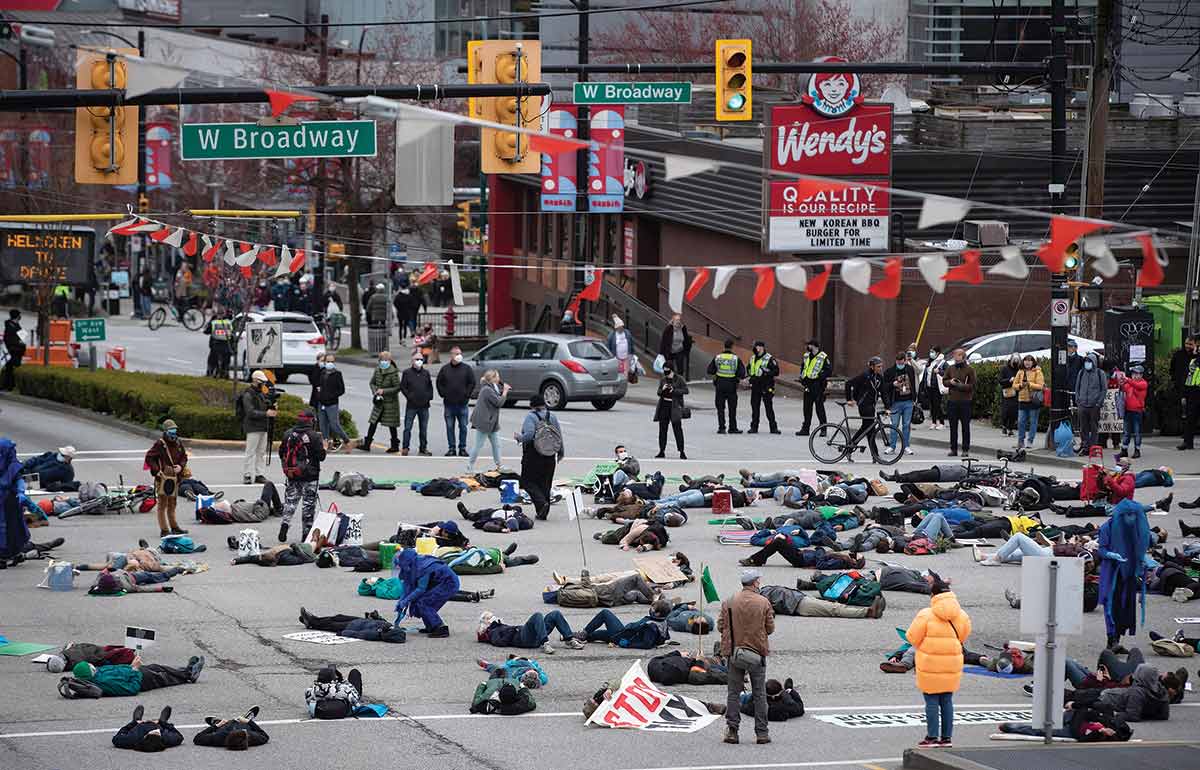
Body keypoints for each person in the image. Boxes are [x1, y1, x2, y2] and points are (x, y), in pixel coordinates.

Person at [905, 572, 971, 748]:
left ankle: (932, 737)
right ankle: (946, 738)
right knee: (947, 701)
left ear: (933, 595)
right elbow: (963, 636)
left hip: (930, 664)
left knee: (932, 701)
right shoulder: (962, 615)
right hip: (952, 663)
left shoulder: (925, 614)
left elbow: (912, 638)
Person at [719, 568, 775, 745]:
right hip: (756, 654)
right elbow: (770, 628)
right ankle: (762, 733)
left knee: (733, 693)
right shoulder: (763, 602)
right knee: (759, 694)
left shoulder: (729, 601)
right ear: (755, 582)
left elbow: (721, 626)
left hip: (735, 653)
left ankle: (732, 731)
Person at [1099, 498, 1151, 651]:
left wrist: (1144, 560)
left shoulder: (1135, 528)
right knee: (1111, 605)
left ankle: (1118, 638)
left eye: (1133, 515)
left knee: (1125, 605)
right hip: (1112, 571)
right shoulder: (1107, 527)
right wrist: (1112, 555)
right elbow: (1101, 550)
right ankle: (1111, 639)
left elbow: (1140, 547)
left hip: (1128, 571)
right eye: (1128, 515)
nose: (1131, 518)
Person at [277, 408, 325, 543]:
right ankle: (306, 534)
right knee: (308, 505)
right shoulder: (314, 436)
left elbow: (281, 453)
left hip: (292, 474)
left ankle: (285, 524)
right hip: (310, 476)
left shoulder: (288, 434)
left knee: (290, 501)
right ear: (311, 421)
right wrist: (325, 447)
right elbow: (321, 456)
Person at [393, 549, 460, 637]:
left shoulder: (422, 567)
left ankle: (440, 627)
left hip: (448, 583)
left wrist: (405, 602)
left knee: (424, 603)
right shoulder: (413, 565)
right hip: (438, 582)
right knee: (420, 602)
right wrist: (401, 601)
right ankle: (431, 626)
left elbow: (420, 589)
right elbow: (407, 587)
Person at [67, 656, 204, 697]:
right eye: (91, 666)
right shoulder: (105, 682)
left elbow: (118, 669)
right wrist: (134, 670)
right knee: (162, 677)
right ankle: (188, 674)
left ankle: (186, 671)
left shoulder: (99, 672)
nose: (93, 665)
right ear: (89, 672)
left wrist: (131, 665)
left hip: (134, 671)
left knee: (157, 667)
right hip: (139, 679)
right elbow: (131, 689)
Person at [144, 420, 188, 538]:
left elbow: (184, 456)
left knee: (172, 503)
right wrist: (157, 471)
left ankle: (174, 527)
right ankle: (164, 530)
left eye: (175, 430)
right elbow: (149, 458)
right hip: (163, 477)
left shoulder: (178, 443)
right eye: (171, 431)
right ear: (165, 431)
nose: (173, 433)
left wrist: (181, 466)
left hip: (175, 477)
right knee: (162, 504)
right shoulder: (160, 444)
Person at [477, 610, 585, 654]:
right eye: (489, 617)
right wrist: (513, 630)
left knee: (555, 614)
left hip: (526, 634)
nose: (492, 617)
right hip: (522, 638)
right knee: (537, 616)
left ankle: (569, 639)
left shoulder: (498, 626)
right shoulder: (492, 631)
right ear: (485, 622)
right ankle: (545, 643)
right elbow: (499, 642)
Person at [358, 351, 401, 453]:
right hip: (379, 402)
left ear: (390, 361)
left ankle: (395, 446)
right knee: (373, 422)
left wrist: (384, 391)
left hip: (390, 402)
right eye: (382, 360)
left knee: (392, 424)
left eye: (386, 360)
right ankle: (367, 444)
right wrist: (375, 392)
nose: (384, 362)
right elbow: (372, 383)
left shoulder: (393, 372)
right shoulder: (377, 370)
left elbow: (398, 387)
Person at [239, 370, 276, 484]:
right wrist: (266, 414)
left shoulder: (260, 393)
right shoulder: (248, 394)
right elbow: (250, 412)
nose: (263, 384)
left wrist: (272, 406)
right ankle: (247, 474)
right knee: (250, 452)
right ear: (255, 380)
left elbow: (265, 405)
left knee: (261, 452)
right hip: (253, 427)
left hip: (263, 426)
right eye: (262, 382)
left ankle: (259, 474)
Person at [437, 346, 475, 457]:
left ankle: (462, 448)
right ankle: (451, 448)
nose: (459, 355)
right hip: (449, 404)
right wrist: (443, 394)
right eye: (457, 353)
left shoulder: (467, 368)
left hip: (462, 403)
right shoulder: (445, 369)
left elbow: (472, 382)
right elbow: (439, 382)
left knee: (463, 427)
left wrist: (467, 394)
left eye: (460, 353)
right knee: (450, 427)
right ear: (451, 355)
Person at [845, 356, 885, 462]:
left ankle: (850, 448)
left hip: (871, 406)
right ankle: (875, 455)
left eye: (881, 366)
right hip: (863, 406)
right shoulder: (865, 376)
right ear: (872, 367)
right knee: (869, 429)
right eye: (878, 366)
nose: (880, 368)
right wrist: (849, 399)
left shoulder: (880, 378)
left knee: (866, 429)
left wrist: (888, 407)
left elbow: (884, 393)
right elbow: (848, 383)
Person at [468, 370, 509, 472]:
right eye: (497, 376)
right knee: (478, 445)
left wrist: (502, 391)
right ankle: (469, 466)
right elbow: (498, 402)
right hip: (484, 421)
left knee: (497, 444)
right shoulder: (487, 389)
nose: (499, 378)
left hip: (492, 422)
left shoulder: (492, 387)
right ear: (493, 378)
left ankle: (499, 465)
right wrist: (505, 391)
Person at [942, 348, 975, 457]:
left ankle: (965, 449)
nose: (956, 357)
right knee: (953, 426)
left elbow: (972, 385)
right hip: (952, 401)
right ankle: (953, 449)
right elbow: (944, 381)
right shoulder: (951, 368)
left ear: (963, 356)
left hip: (965, 401)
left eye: (958, 355)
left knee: (965, 426)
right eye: (955, 355)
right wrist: (950, 382)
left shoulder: (969, 369)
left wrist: (961, 386)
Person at [708, 338, 745, 434]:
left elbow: (710, 370)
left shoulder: (718, 357)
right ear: (732, 347)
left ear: (724, 346)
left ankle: (721, 428)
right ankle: (732, 428)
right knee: (732, 408)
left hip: (720, 385)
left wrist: (718, 371)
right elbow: (742, 374)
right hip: (731, 385)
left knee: (720, 408)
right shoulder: (735, 358)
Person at [882, 351, 917, 455]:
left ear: (905, 361)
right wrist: (893, 384)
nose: (900, 364)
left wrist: (914, 398)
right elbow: (884, 387)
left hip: (908, 401)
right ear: (896, 361)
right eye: (898, 362)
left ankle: (906, 446)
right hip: (895, 402)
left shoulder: (910, 369)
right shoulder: (890, 371)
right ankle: (892, 446)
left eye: (902, 362)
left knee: (906, 425)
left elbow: (913, 384)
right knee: (894, 425)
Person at [313, 353, 349, 451]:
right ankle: (325, 442)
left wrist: (330, 396)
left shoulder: (337, 374)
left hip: (332, 403)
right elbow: (316, 384)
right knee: (323, 425)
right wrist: (319, 395)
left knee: (334, 424)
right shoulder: (322, 372)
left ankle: (347, 441)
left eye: (332, 361)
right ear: (324, 362)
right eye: (328, 361)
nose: (330, 363)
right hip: (321, 403)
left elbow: (341, 390)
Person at [400, 355, 433, 456]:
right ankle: (405, 447)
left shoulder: (426, 373)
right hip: (412, 405)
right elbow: (403, 387)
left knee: (423, 428)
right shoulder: (407, 373)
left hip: (424, 405)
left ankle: (423, 448)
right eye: (417, 359)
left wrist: (429, 397)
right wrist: (410, 396)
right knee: (408, 427)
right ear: (412, 361)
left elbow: (430, 386)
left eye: (421, 360)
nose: (419, 361)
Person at [797, 339, 832, 436]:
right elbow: (803, 367)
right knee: (807, 408)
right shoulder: (806, 356)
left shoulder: (823, 356)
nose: (807, 347)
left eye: (809, 345)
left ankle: (823, 429)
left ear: (814, 346)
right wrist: (802, 377)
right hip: (807, 384)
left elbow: (828, 371)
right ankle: (805, 429)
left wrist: (819, 377)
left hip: (818, 385)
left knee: (819, 408)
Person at [654, 364, 688, 459]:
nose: (666, 373)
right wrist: (663, 389)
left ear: (672, 370)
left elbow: (686, 390)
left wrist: (675, 390)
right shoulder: (663, 379)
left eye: (668, 370)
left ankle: (681, 451)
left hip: (675, 406)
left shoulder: (679, 379)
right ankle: (662, 450)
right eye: (664, 370)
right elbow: (658, 392)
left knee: (677, 429)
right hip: (664, 405)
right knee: (662, 430)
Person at [1076, 352, 1107, 455]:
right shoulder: (1081, 373)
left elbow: (1104, 389)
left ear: (1094, 362)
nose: (1087, 363)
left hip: (1094, 405)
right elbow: (1077, 388)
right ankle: (1085, 447)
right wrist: (1078, 400)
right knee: (1083, 427)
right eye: (1086, 361)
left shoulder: (1100, 373)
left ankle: (1093, 448)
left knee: (1094, 427)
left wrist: (1099, 403)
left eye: (1089, 361)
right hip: (1083, 404)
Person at [747, 340, 781, 434]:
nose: (755, 348)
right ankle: (754, 427)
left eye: (756, 347)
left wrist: (766, 372)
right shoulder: (753, 358)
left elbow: (776, 371)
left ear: (761, 347)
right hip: (755, 386)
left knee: (768, 407)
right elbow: (749, 368)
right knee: (755, 407)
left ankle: (773, 428)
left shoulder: (769, 358)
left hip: (766, 385)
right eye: (754, 347)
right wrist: (750, 377)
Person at [1012, 354, 1045, 450]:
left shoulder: (1037, 372)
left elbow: (1040, 386)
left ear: (1033, 362)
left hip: (1033, 400)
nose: (1027, 362)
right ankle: (1020, 441)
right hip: (1022, 399)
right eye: (1025, 360)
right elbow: (1014, 385)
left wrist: (1029, 384)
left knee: (1033, 421)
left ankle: (1030, 440)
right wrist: (1020, 385)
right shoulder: (1020, 371)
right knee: (1021, 421)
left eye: (1029, 360)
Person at [1120, 365, 1149, 459]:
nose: (1135, 376)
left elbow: (1135, 385)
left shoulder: (1143, 383)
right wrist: (1121, 382)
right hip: (1128, 411)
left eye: (1137, 374)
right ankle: (1124, 450)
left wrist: (1127, 379)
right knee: (1126, 432)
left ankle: (1137, 450)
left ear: (1141, 375)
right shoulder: (1130, 384)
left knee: (1137, 432)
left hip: (1137, 411)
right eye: (1134, 374)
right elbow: (1123, 388)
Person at [1178, 336, 1200, 450]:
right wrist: (1184, 394)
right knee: (1190, 418)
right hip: (1192, 391)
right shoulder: (1192, 360)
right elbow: (1188, 377)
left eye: (1195, 346)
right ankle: (1187, 442)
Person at [920, 346, 947, 430]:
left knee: (937, 405)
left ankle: (941, 422)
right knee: (932, 406)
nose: (931, 353)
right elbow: (926, 374)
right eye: (930, 351)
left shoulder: (942, 362)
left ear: (938, 353)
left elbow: (948, 373)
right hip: (929, 386)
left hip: (937, 387)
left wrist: (940, 371)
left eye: (933, 352)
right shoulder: (930, 362)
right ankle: (934, 422)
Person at [659, 312, 692, 377]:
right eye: (677, 320)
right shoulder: (668, 329)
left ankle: (680, 381)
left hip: (679, 351)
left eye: (679, 320)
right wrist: (661, 353)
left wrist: (687, 348)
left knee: (680, 368)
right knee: (670, 367)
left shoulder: (683, 328)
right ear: (673, 321)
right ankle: (670, 380)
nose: (678, 321)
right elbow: (663, 341)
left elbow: (686, 339)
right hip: (670, 351)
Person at [606, 316, 637, 382]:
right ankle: (618, 380)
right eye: (619, 327)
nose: (621, 328)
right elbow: (608, 346)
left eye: (622, 327)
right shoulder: (612, 335)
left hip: (627, 356)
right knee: (619, 369)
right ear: (616, 328)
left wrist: (632, 353)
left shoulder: (627, 333)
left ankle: (624, 381)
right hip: (616, 356)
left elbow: (631, 343)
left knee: (626, 370)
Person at [204, 310, 233, 379]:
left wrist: (211, 320)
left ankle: (210, 372)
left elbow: (206, 331)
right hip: (227, 346)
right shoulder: (230, 323)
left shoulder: (214, 322)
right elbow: (233, 334)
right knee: (226, 362)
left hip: (215, 345)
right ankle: (225, 373)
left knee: (212, 360)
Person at [2, 308, 26, 390]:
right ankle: (9, 386)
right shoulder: (10, 326)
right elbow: (10, 340)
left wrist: (22, 344)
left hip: (17, 351)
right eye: (19, 315)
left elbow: (23, 338)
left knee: (11, 369)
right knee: (10, 370)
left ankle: (10, 385)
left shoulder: (17, 325)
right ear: (17, 316)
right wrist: (20, 344)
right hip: (13, 351)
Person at [998, 354, 1020, 438]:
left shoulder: (1019, 369)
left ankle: (1010, 429)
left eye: (1017, 361)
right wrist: (1009, 380)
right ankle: (1004, 425)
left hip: (1016, 392)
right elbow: (1000, 380)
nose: (1015, 362)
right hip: (1006, 392)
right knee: (1006, 411)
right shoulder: (1005, 369)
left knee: (1014, 412)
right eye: (1014, 360)